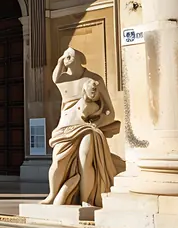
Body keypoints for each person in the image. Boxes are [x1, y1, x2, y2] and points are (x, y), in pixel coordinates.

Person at [42, 47, 120, 207]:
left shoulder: (93, 79)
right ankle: (52, 194)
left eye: (70, 55)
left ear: (79, 58)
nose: (66, 57)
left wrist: (97, 124)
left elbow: (110, 112)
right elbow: (55, 77)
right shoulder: (62, 80)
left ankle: (86, 199)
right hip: (65, 128)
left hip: (86, 128)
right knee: (58, 162)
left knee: (86, 161)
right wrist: (59, 63)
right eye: (64, 56)